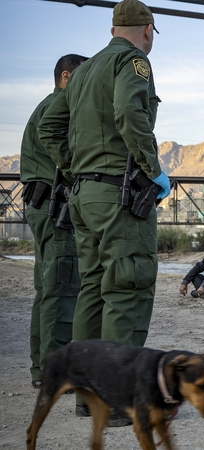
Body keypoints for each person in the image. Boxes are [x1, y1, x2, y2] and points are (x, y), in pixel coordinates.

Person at [37, 0, 168, 424]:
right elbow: (131, 113)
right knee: (127, 286)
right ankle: (117, 402)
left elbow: (49, 126)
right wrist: (151, 169)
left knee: (91, 290)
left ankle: (87, 397)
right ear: (147, 29)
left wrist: (76, 169)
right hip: (119, 197)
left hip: (84, 196)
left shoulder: (84, 70)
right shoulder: (132, 63)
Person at [21, 54, 87, 389]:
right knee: (62, 290)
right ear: (66, 76)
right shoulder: (58, 107)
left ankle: (43, 368)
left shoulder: (48, 105)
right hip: (53, 208)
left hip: (44, 206)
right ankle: (53, 372)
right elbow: (67, 152)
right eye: (82, 77)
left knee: (48, 291)